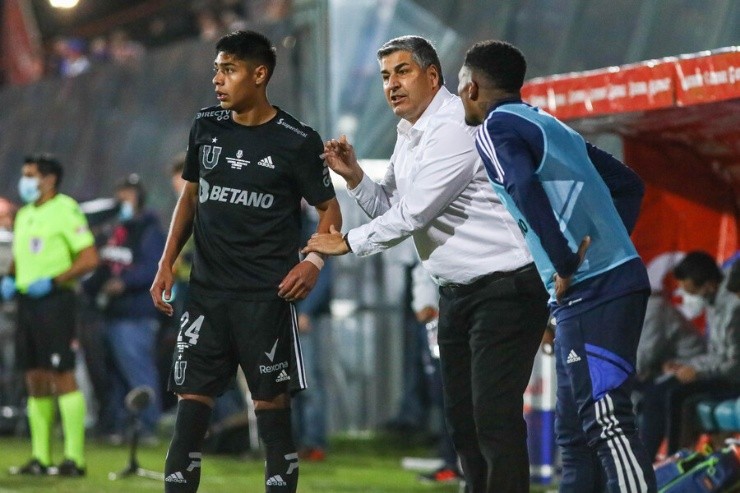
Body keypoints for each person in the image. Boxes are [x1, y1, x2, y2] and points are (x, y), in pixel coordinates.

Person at [303, 35, 549, 493]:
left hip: (505, 290)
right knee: (463, 423)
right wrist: (355, 178)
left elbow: (414, 215)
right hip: (456, 294)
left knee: (493, 419)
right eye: (384, 76)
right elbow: (392, 209)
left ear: (432, 76)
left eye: (402, 72)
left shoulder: (455, 124)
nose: (391, 85)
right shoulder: (410, 133)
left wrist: (348, 242)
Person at [458, 40, 656, 492]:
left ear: (472, 87)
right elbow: (628, 185)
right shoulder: (549, 125)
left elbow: (523, 186)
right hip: (600, 286)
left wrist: (566, 261)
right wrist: (605, 246)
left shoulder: (493, 127)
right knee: (577, 434)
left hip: (591, 290)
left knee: (605, 420)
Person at [149, 30, 342, 493]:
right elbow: (189, 198)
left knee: (272, 413)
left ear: (259, 74)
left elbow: (330, 210)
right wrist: (165, 263)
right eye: (217, 69)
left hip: (266, 300)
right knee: (189, 413)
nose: (218, 79)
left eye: (229, 70)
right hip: (207, 297)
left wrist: (313, 262)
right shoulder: (206, 125)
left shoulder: (297, 140)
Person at [1, 154, 99, 476]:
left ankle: (74, 459)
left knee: (62, 374)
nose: (25, 181)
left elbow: (89, 258)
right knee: (34, 377)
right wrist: (10, 278)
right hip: (27, 303)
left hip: (56, 302)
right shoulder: (25, 214)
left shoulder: (66, 209)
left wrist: (55, 280)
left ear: (50, 179)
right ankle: (40, 458)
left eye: (31, 175)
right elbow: (20, 256)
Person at [83, 173, 165, 444]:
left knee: (138, 371)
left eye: (128, 194)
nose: (122, 199)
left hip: (136, 314)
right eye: (120, 193)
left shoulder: (149, 230)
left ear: (139, 197)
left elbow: (154, 268)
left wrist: (124, 282)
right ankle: (119, 426)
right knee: (115, 376)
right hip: (111, 313)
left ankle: (148, 426)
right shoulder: (114, 230)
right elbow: (103, 266)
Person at [639, 252, 740, 459]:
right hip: (719, 373)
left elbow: (733, 364)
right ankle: (647, 459)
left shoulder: (732, 308)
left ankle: (675, 458)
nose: (686, 297)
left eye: (690, 291)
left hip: (731, 379)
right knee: (657, 391)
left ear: (708, 285)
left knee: (675, 395)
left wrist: (699, 372)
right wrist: (685, 367)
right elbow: (715, 354)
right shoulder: (713, 303)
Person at [291, 204, 332, 462]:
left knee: (310, 382)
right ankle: (294, 441)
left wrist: (306, 311)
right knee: (288, 382)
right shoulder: (283, 223)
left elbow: (324, 274)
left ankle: (314, 441)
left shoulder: (316, 225)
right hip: (287, 312)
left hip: (308, 317)